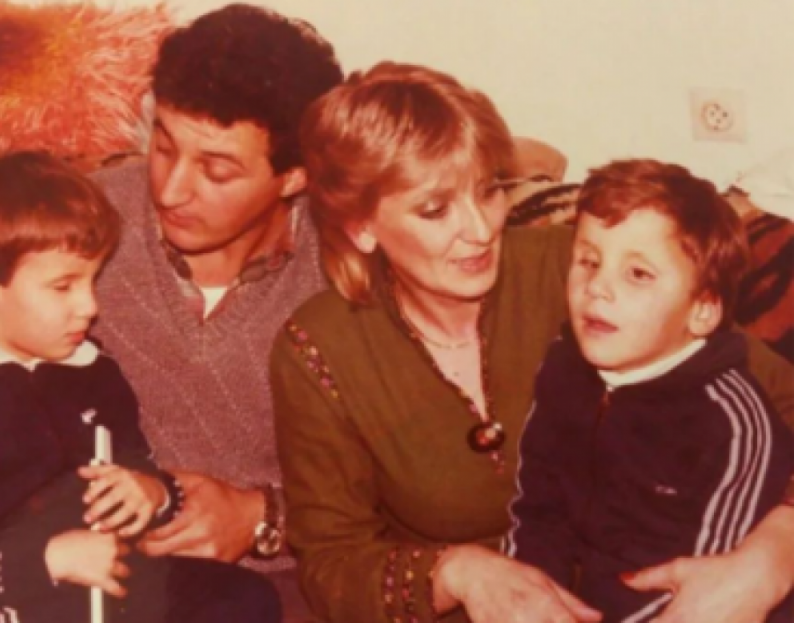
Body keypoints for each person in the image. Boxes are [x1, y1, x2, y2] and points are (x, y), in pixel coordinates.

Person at [270, 62, 794, 623]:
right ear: (362, 226)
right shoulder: (321, 350)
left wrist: (774, 554)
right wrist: (456, 573)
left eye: (488, 191)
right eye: (436, 210)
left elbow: (768, 392)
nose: (480, 229)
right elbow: (332, 564)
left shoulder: (581, 272)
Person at [0, 5, 343, 623]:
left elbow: (405, 491)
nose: (171, 190)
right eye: (163, 145)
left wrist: (265, 517)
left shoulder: (346, 270)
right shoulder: (78, 223)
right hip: (62, 581)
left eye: (216, 170)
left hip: (269, 586)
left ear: (294, 177)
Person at [0, 151, 281, 623]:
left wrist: (153, 494)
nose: (90, 306)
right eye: (64, 287)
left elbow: (140, 466)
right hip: (17, 605)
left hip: (122, 586)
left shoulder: (95, 372)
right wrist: (49, 560)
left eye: (92, 282)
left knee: (245, 597)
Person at [506, 159, 794, 622]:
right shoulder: (563, 368)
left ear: (702, 311)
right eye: (589, 261)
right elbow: (538, 511)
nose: (598, 287)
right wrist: (529, 600)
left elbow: (707, 589)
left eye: (638, 274)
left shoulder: (731, 424)